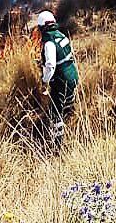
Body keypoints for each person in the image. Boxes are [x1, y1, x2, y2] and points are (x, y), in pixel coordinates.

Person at [33, 10, 79, 149]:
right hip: (72, 76)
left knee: (56, 112)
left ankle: (57, 145)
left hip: (62, 81)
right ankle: (72, 132)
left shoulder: (49, 43)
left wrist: (44, 80)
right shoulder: (61, 35)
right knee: (67, 107)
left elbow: (51, 65)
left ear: (42, 28)